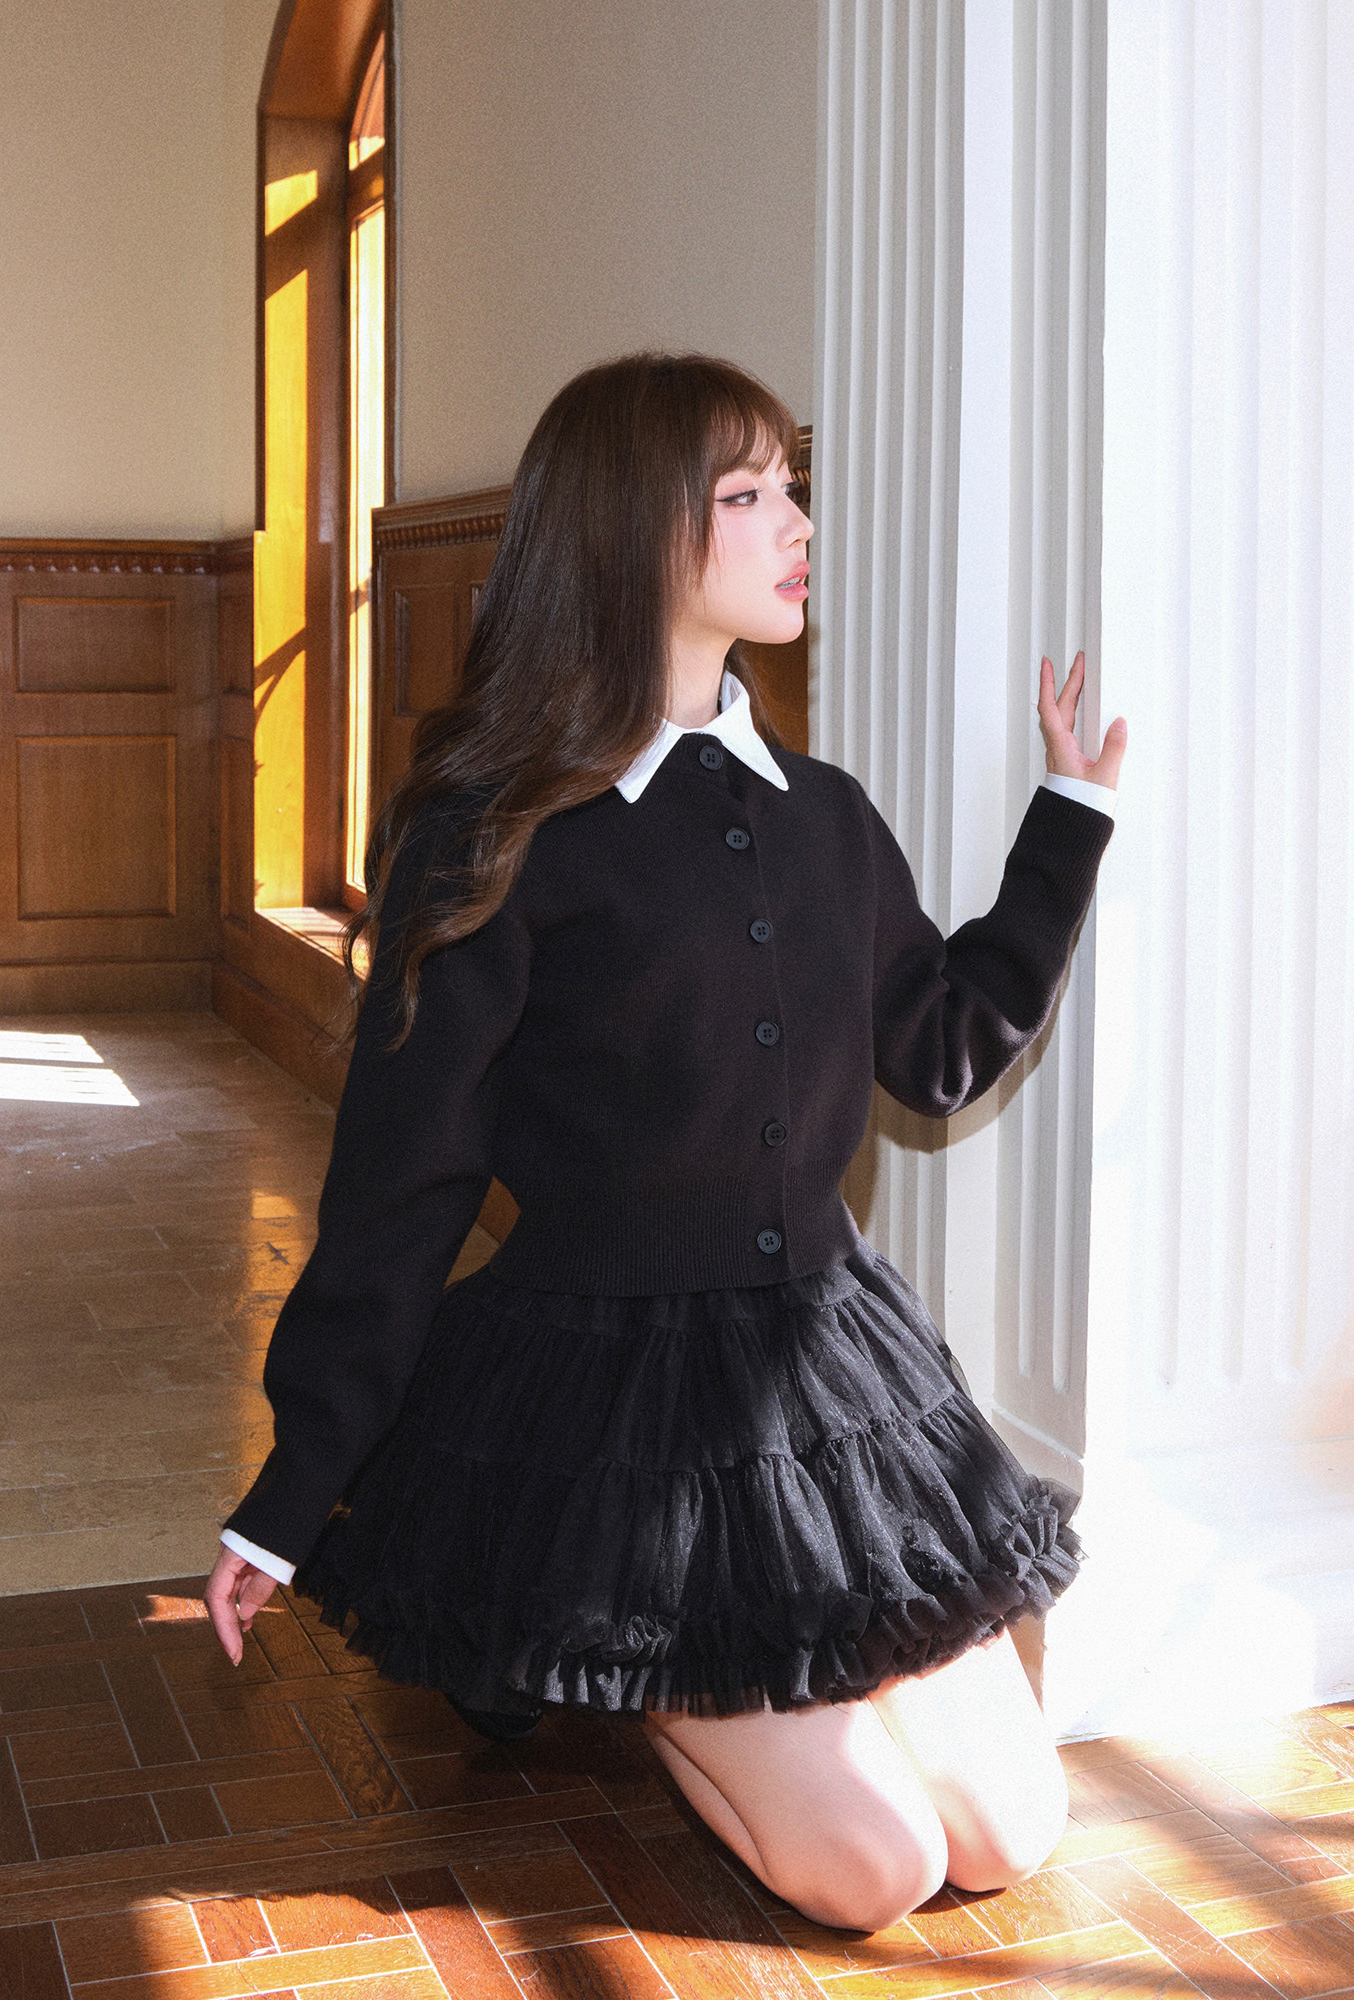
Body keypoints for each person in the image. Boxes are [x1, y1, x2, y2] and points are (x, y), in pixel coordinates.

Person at [204, 352, 1126, 1932]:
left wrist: (1067, 823)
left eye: (792, 489)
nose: (799, 524)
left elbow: (942, 1046)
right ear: (633, 531)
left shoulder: (827, 814)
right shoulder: (493, 836)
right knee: (879, 1872)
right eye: (749, 494)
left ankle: (727, 1677)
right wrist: (289, 1495)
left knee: (1010, 1835)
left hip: (827, 1374)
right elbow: (403, 1186)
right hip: (610, 1411)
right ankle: (623, 1654)